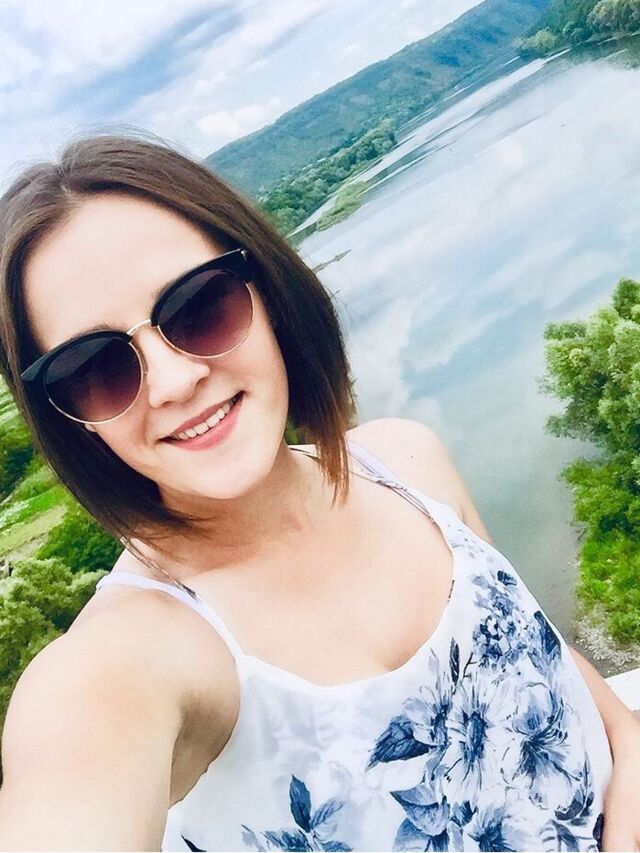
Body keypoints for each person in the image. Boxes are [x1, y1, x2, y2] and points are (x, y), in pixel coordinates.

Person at [0, 132, 637, 853]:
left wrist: (626, 736)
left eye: (198, 306)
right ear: (68, 418)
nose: (174, 381)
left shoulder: (408, 462)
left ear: (267, 293)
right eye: (96, 368)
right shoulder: (132, 660)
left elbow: (538, 653)